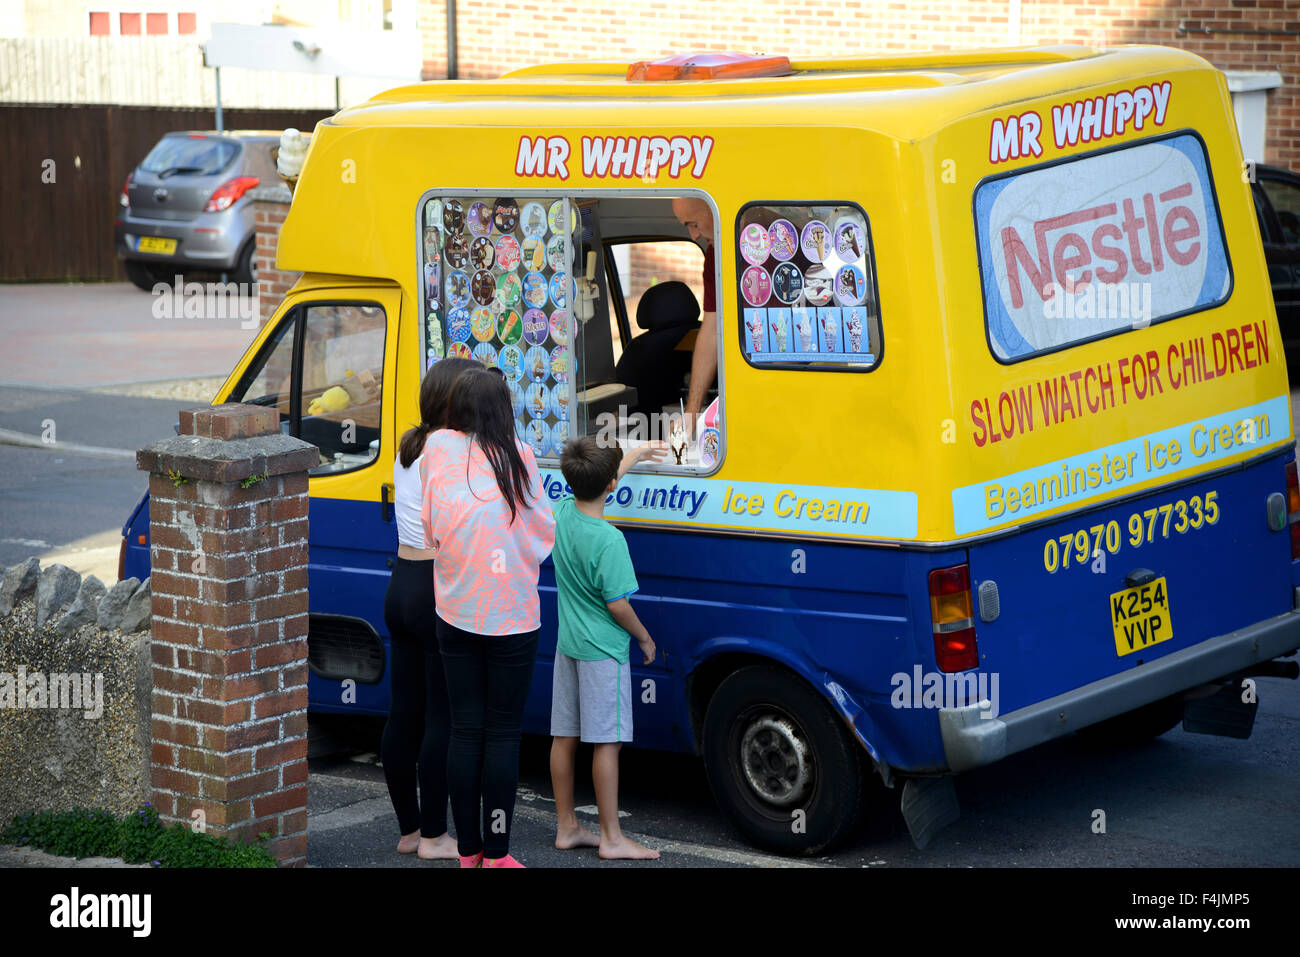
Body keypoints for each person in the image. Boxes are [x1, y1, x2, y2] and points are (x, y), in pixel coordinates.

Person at [421, 366, 556, 868]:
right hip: (512, 616)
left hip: (454, 609)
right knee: (502, 735)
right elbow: (543, 536)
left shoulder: (437, 449)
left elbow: (432, 526)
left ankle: (468, 850)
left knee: (464, 730)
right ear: (503, 411)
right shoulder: (518, 457)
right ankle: (498, 854)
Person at [381, 356, 478, 860]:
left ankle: (409, 829)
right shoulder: (452, 452)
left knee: (405, 712)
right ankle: (437, 837)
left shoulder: (409, 446)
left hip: (400, 584)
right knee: (443, 717)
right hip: (435, 587)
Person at [549, 436, 663, 860]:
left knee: (564, 737)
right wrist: (644, 637)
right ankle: (612, 838)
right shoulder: (610, 540)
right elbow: (618, 604)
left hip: (568, 646)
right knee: (607, 743)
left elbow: (594, 488)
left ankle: (567, 827)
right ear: (611, 485)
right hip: (603, 652)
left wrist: (630, 457)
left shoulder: (561, 512)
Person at [672, 196, 717, 429]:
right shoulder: (713, 258)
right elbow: (712, 330)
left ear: (713, 209)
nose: (694, 236)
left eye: (694, 224)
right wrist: (691, 412)